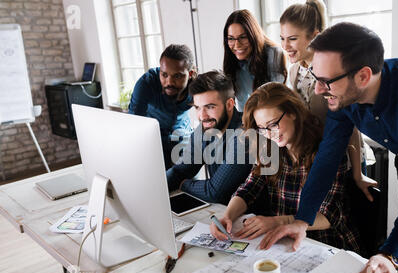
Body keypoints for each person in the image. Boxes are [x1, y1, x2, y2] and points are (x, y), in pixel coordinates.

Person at [259, 22, 398, 273]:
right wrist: (303, 219)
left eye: (326, 82)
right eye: (316, 77)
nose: (317, 91)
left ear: (363, 76)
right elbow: (328, 154)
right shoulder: (341, 97)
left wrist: (391, 255)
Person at [210, 82, 361, 254]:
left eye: (273, 124)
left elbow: (328, 215)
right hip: (285, 242)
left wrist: (277, 222)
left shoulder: (326, 151)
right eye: (261, 128)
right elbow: (249, 188)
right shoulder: (269, 149)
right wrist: (227, 216)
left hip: (327, 244)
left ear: (293, 112)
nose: (269, 134)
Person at [280, 0, 377, 202]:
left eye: (292, 39)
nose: (285, 46)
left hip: (347, 159)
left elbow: (351, 127)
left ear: (314, 37)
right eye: (282, 38)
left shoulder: (333, 70)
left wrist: (358, 174)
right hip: (320, 158)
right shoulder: (294, 71)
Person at [166, 70, 253, 205]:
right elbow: (180, 170)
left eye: (210, 107)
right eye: (197, 108)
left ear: (229, 104)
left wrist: (183, 184)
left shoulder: (244, 135)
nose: (202, 116)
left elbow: (215, 193)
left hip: (251, 217)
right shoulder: (203, 129)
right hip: (222, 212)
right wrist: (154, 187)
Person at [128, 44, 196, 169]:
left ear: (190, 74)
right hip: (153, 141)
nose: (169, 82)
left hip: (182, 138)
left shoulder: (197, 88)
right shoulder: (146, 84)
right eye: (164, 75)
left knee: (187, 180)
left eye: (177, 76)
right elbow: (134, 123)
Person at [223, 9, 287, 112]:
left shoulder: (274, 54)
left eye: (243, 37)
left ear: (253, 35)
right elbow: (243, 108)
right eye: (231, 38)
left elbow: (277, 102)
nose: (237, 45)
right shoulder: (234, 63)